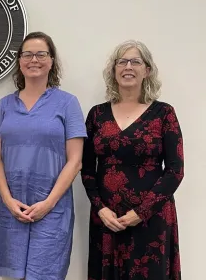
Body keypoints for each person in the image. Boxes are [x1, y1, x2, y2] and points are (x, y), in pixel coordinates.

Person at [81, 40, 184, 280]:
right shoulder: (97, 114)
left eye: (135, 61)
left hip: (152, 219)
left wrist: (142, 211)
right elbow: (86, 170)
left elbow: (175, 170)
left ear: (147, 70)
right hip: (107, 220)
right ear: (114, 70)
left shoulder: (164, 113)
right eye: (122, 61)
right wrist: (100, 208)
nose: (128, 66)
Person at [0, 31, 87, 280]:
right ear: (19, 61)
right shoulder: (5, 105)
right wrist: (8, 200)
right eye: (27, 54)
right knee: (12, 274)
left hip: (52, 208)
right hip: (13, 207)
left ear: (52, 61)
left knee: (44, 275)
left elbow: (75, 161)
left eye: (41, 54)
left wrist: (48, 204)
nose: (34, 60)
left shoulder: (67, 103)